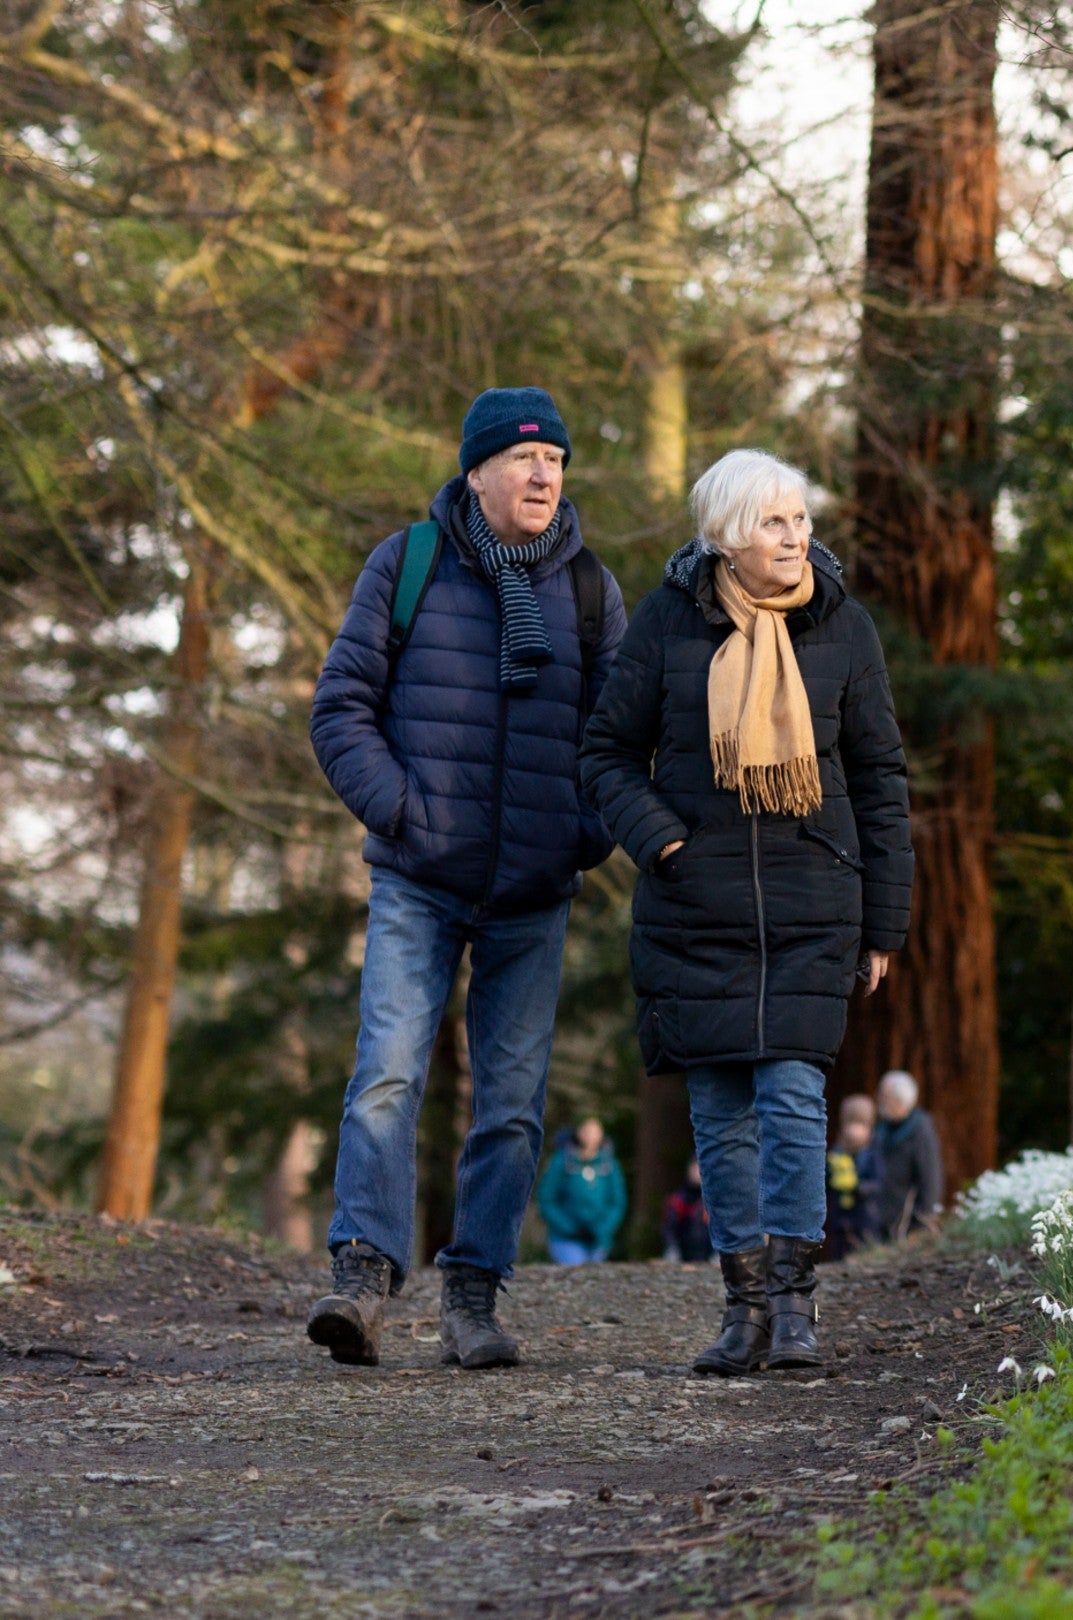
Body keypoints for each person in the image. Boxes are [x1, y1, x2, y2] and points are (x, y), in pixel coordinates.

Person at [304, 388, 625, 1370]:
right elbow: (339, 707)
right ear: (477, 471)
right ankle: (362, 1279)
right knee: (387, 1075)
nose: (543, 477)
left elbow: (618, 742)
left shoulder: (587, 591)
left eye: (556, 463)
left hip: (533, 887)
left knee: (515, 1099)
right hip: (419, 875)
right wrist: (403, 809)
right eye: (525, 460)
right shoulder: (408, 565)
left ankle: (474, 1297)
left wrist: (578, 835)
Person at [580, 448, 912, 1378]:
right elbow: (605, 753)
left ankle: (798, 1305)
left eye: (801, 519)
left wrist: (886, 921)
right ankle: (746, 1310)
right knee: (721, 1115)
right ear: (727, 536)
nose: (797, 536)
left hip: (816, 901)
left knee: (795, 1098)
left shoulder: (844, 628)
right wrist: (665, 841)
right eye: (775, 522)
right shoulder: (668, 623)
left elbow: (882, 777)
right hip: (698, 905)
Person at [535, 1117, 626, 1265]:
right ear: (578, 1133)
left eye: (595, 1132)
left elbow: (617, 1202)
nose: (590, 1137)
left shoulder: (609, 1165)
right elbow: (546, 1199)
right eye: (586, 1131)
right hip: (566, 1238)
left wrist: (601, 1228)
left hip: (599, 1239)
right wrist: (569, 1228)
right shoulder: (561, 1162)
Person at [870, 1070, 945, 1244]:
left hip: (908, 1220)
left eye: (884, 1096)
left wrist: (925, 1216)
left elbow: (931, 1176)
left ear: (899, 1100)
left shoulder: (920, 1128)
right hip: (883, 1216)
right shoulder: (882, 1129)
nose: (879, 1100)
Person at [824, 1095, 876, 1263]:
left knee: (865, 1255)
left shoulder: (872, 1153)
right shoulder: (837, 1152)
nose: (854, 1130)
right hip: (839, 1219)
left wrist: (858, 1187)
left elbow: (879, 1184)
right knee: (838, 1255)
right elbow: (825, 1180)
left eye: (860, 1124)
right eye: (850, 1123)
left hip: (864, 1218)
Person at [663, 1160, 713, 1263]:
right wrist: (672, 1249)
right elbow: (669, 1229)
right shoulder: (679, 1200)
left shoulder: (714, 1200)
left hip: (710, 1255)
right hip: (684, 1256)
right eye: (695, 1168)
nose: (698, 1172)